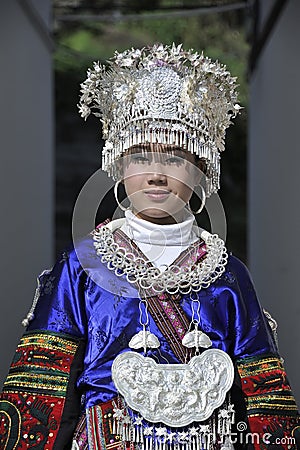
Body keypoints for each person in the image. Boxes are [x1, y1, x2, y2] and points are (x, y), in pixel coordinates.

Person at [0, 43, 299, 450]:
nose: (156, 175)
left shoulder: (228, 273)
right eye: (140, 156)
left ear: (202, 172)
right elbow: (42, 394)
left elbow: (265, 406)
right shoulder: (83, 264)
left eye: (175, 159)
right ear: (118, 167)